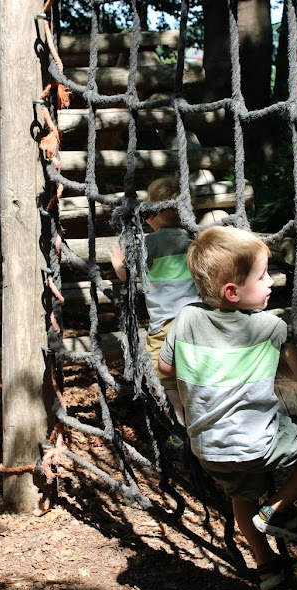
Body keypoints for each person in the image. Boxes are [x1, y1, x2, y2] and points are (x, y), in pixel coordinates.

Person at [158, 225, 297, 590]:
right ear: (233, 291)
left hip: (209, 450)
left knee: (239, 498)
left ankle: (266, 567)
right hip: (259, 446)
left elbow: (166, 368)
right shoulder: (269, 327)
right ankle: (277, 506)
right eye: (262, 276)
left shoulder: (186, 318)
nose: (271, 282)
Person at [110, 175, 201, 426]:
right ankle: (197, 419)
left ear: (152, 214)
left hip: (164, 327)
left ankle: (179, 423)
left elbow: (128, 275)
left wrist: (118, 264)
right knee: (191, 372)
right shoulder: (193, 242)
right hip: (195, 322)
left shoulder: (148, 244)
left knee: (162, 376)